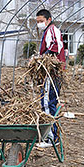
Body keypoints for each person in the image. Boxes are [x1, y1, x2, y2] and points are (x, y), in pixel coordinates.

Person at [36, 9, 65, 147]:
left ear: (49, 19)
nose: (39, 24)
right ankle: (51, 135)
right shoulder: (47, 31)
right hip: (50, 73)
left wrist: (42, 59)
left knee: (48, 103)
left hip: (52, 73)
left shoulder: (52, 30)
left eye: (41, 21)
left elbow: (54, 47)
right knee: (48, 102)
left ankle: (51, 138)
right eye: (37, 22)